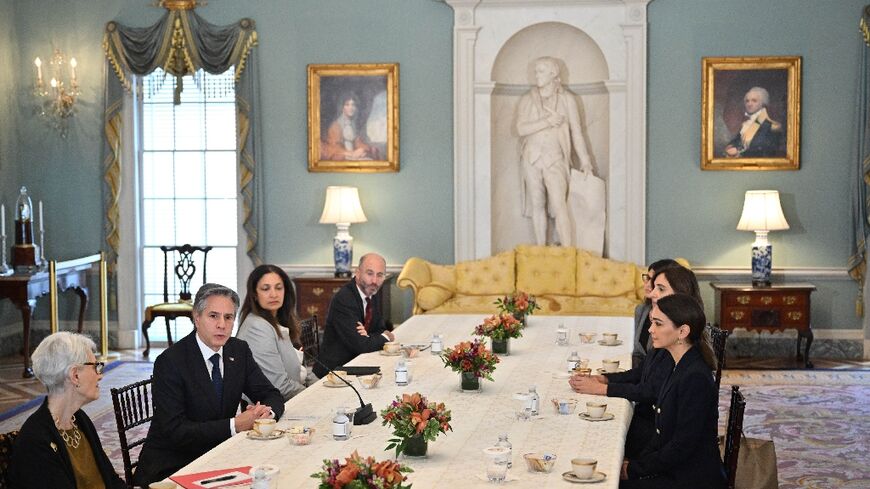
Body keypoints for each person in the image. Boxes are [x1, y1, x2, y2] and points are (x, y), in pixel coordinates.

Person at [133, 283, 285, 487]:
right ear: (197, 318)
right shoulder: (171, 361)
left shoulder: (238, 350)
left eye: (228, 317)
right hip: (174, 466)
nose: (222, 324)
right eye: (213, 316)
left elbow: (271, 394)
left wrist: (265, 415)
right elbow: (176, 431)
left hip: (221, 455)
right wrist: (235, 425)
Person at [570, 265, 702, 458]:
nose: (652, 293)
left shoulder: (681, 351)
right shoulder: (669, 338)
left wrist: (603, 389)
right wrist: (605, 379)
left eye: (661, 289)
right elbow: (642, 373)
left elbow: (651, 392)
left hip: (655, 431)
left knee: (599, 440)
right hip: (657, 433)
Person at [619, 294, 726, 488]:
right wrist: (633, 463)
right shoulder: (677, 364)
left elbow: (681, 447)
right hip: (676, 469)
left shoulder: (695, 377)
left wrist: (634, 469)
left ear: (682, 331)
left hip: (691, 479)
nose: (650, 330)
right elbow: (662, 436)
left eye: (658, 324)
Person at [8, 332, 126, 489]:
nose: (100, 375)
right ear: (75, 375)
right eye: (95, 367)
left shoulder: (79, 419)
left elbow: (110, 479)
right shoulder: (36, 440)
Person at [516, 56, 595, 247]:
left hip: (556, 158)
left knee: (560, 206)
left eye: (541, 71)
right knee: (537, 204)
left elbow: (576, 132)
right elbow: (520, 129)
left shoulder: (567, 100)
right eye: (535, 71)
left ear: (553, 74)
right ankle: (540, 249)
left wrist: (585, 160)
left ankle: (568, 252)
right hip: (532, 158)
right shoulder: (528, 99)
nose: (537, 75)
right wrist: (546, 122)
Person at [236, 264, 315, 401]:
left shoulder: (278, 320)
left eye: (278, 288)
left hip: (290, 399)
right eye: (266, 289)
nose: (274, 294)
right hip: (269, 411)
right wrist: (315, 396)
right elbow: (279, 386)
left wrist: (320, 386)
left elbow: (299, 370)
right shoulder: (257, 327)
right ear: (254, 294)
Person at [313, 253, 395, 377]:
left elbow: (379, 329)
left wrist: (367, 336)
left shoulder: (372, 292)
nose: (374, 281)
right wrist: (386, 337)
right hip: (334, 373)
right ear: (357, 273)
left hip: (357, 364)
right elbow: (361, 345)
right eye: (369, 273)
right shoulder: (345, 299)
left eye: (380, 275)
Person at [724, 86, 783, 158]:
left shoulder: (772, 126)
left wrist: (738, 151)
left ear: (762, 103)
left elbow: (766, 150)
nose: (749, 104)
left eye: (754, 101)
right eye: (747, 101)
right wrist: (730, 147)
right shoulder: (746, 124)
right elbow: (737, 140)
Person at [321, 93, 379, 161]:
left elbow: (357, 142)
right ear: (342, 107)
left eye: (353, 105)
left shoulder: (352, 124)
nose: (351, 108)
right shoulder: (336, 126)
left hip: (353, 155)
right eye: (347, 105)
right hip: (343, 157)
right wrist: (352, 153)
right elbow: (335, 148)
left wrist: (365, 148)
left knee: (370, 159)